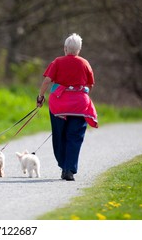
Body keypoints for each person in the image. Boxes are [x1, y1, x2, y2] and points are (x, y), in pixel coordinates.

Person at [37, 33, 98, 181]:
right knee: (75, 137)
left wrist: (40, 97)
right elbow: (90, 84)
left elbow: (46, 81)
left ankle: (64, 165)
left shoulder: (57, 62)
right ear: (79, 49)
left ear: (65, 48)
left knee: (59, 136)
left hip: (59, 105)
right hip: (79, 106)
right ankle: (69, 169)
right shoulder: (85, 63)